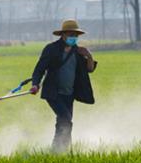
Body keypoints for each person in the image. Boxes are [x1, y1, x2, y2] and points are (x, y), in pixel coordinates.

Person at [30, 19, 97, 153]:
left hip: (69, 94)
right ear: (63, 35)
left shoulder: (78, 52)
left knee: (65, 121)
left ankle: (64, 150)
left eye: (76, 35)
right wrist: (35, 85)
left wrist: (89, 56)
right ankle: (57, 150)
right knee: (65, 120)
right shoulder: (51, 49)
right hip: (53, 93)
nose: (74, 38)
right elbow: (39, 69)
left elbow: (90, 69)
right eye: (71, 35)